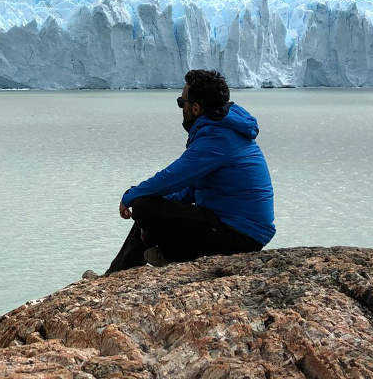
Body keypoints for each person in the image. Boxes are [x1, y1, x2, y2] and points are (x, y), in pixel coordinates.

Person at [105, 69, 275, 275]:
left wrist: (131, 195)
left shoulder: (218, 137)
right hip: (232, 227)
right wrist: (153, 197)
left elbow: (173, 177)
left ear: (195, 108)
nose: (180, 107)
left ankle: (170, 256)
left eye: (181, 102)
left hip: (239, 236)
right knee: (150, 202)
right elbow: (191, 189)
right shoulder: (223, 129)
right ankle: (117, 273)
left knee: (144, 205)